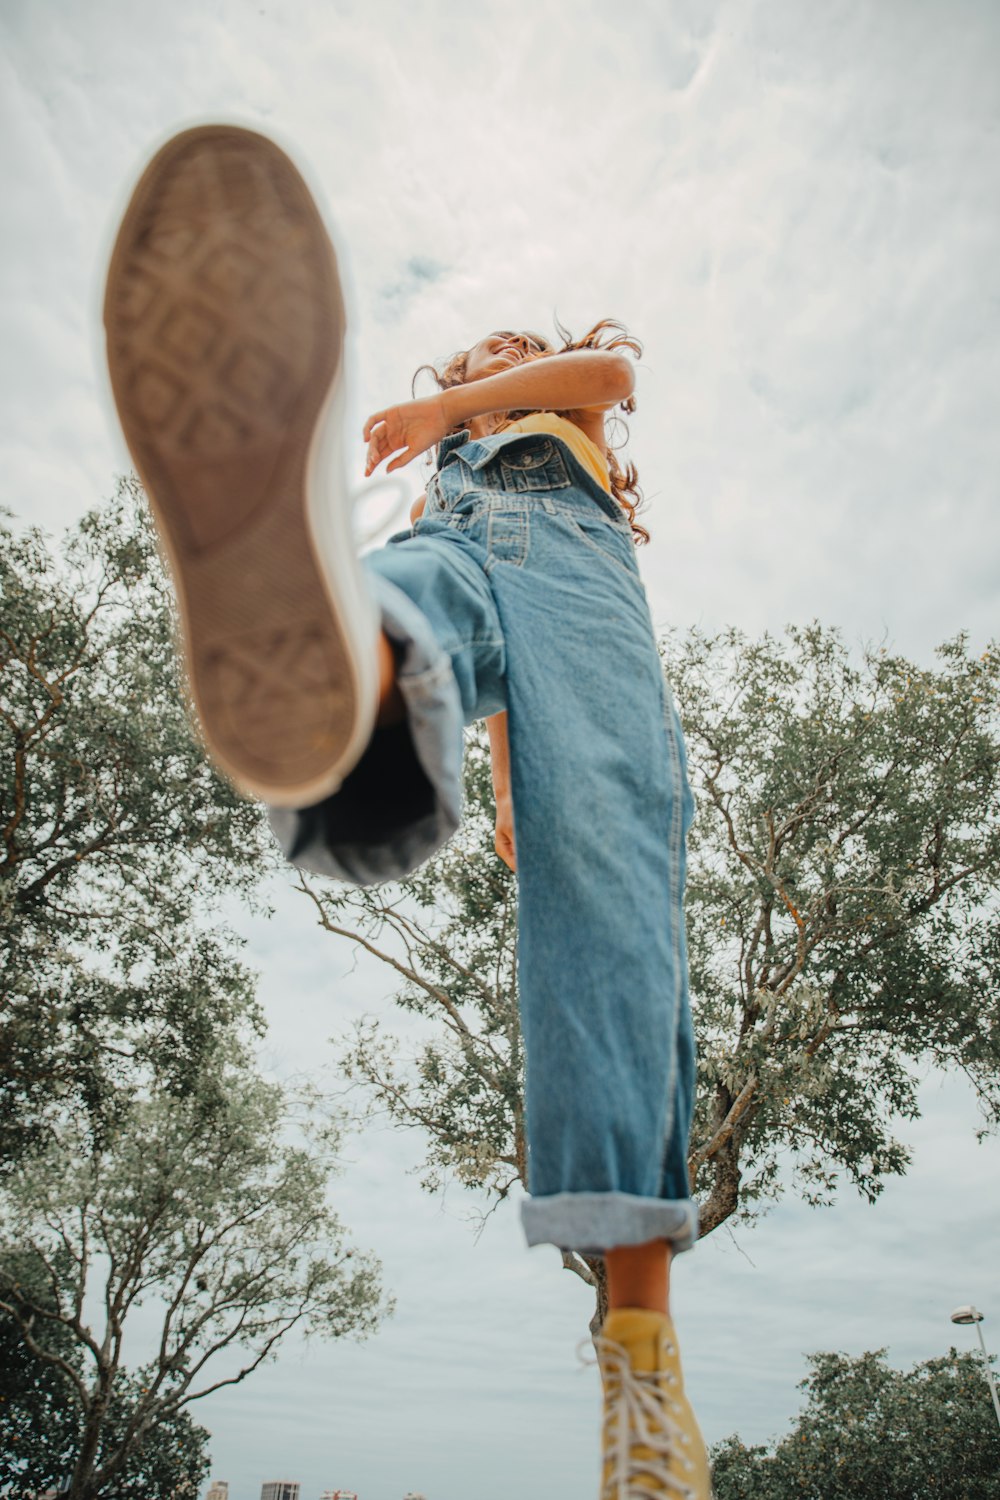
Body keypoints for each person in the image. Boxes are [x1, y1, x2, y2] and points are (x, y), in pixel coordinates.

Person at [103, 123, 710, 1500]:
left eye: (493, 372)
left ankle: (643, 1367)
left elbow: (607, 367)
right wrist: (493, 777)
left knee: (612, 902)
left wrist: (448, 413)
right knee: (411, 594)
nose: (480, 385)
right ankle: (350, 692)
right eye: (470, 381)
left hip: (579, 592)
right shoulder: (453, 469)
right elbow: (496, 691)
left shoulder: (579, 423)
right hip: (459, 563)